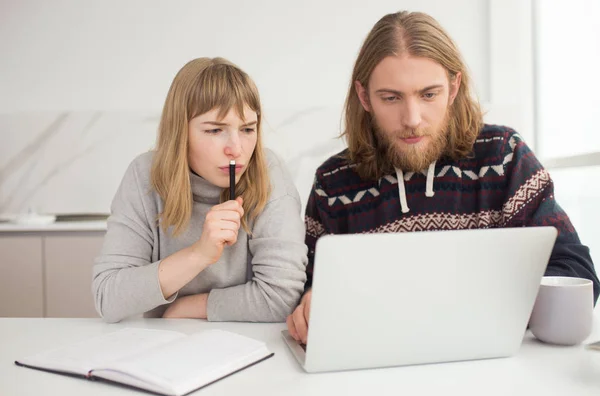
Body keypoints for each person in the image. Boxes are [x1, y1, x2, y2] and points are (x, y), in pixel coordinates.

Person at [286, 11, 599, 343]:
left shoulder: (504, 156)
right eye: (391, 98)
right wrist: (308, 304)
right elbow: (306, 286)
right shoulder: (333, 183)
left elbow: (575, 272)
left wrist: (479, 309)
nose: (412, 119)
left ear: (453, 87)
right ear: (364, 97)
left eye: (428, 94)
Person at [93, 57, 308, 323]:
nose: (236, 149)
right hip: (164, 348)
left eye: (247, 129)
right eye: (215, 130)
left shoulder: (269, 173)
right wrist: (199, 254)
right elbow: (108, 298)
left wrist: (189, 308)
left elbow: (281, 298)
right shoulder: (144, 176)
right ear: (179, 132)